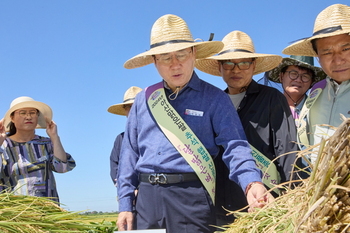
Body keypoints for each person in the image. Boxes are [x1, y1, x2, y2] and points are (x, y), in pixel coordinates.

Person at [117, 15, 272, 233]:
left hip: (192, 198)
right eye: (165, 57)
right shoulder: (144, 100)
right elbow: (129, 154)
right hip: (147, 200)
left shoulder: (215, 98)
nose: (175, 64)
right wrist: (125, 204)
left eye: (181, 54)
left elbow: (235, 145)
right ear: (154, 61)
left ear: (193, 54)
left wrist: (251, 182)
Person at [196, 30, 303, 224]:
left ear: (254, 66)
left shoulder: (272, 98)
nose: (236, 70)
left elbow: (288, 152)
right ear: (219, 67)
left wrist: (293, 202)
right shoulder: (212, 103)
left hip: (263, 204)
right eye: (228, 63)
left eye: (244, 63)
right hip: (220, 209)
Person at [282, 3, 350, 163]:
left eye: (346, 49)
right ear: (318, 57)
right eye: (327, 52)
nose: (338, 59)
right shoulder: (317, 93)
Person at [0, 96, 76, 204]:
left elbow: (62, 168)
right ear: (12, 118)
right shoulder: (3, 145)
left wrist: (54, 137)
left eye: (32, 113)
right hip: (14, 212)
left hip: (47, 210)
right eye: (22, 113)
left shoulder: (46, 143)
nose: (28, 117)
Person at [268, 55, 326, 122]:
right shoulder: (267, 109)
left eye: (305, 76)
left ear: (312, 82)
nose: (298, 80)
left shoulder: (321, 111)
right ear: (281, 77)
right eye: (293, 74)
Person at [108, 86, 142, 185]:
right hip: (128, 192)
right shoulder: (120, 139)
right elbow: (115, 165)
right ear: (125, 111)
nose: (133, 111)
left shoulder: (157, 135)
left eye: (137, 106)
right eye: (129, 107)